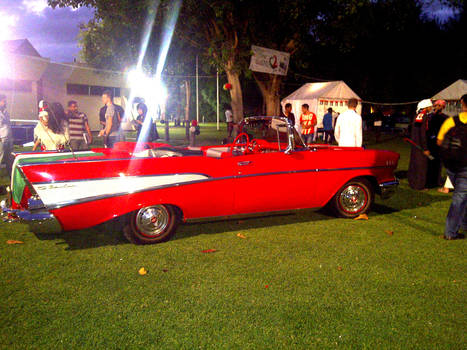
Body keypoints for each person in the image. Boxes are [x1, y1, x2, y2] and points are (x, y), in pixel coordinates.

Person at [437, 94, 467, 240]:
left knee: (462, 196)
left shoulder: (451, 121)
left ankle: (463, 224)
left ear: (463, 104)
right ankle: (451, 232)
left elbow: (439, 141)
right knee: (460, 197)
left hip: (452, 166)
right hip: (465, 167)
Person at [407, 99, 432, 190]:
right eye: (430, 106)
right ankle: (419, 185)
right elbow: (422, 133)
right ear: (426, 107)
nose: (431, 107)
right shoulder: (424, 116)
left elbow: (414, 130)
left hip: (415, 143)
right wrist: (425, 147)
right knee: (421, 166)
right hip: (420, 145)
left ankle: (413, 182)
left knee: (414, 164)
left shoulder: (417, 116)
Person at [0, 95, 13, 175]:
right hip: (1, 140)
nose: (5, 103)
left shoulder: (6, 112)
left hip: (8, 139)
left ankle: (11, 182)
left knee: (10, 161)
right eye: (3, 101)